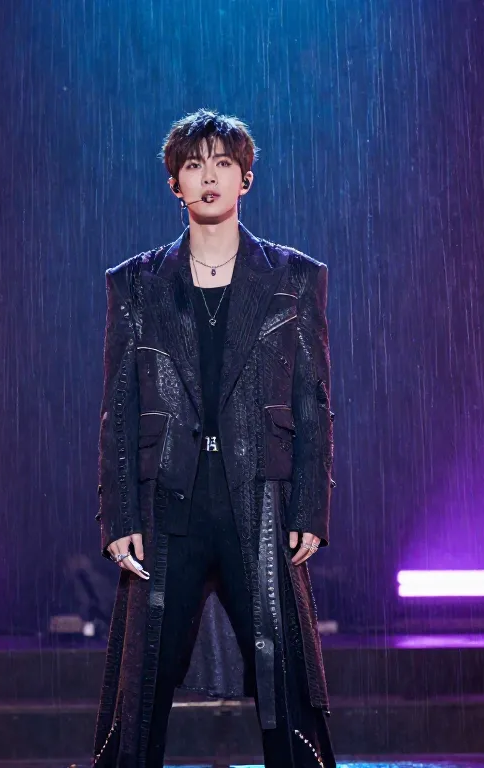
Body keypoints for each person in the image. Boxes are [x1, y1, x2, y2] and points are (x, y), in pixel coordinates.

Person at [92, 109, 336, 767]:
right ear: (175, 183)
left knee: (284, 681)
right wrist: (119, 515)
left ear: (244, 179)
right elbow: (119, 406)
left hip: (259, 500)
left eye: (222, 163)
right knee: (142, 688)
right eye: (194, 165)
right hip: (167, 503)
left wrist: (310, 507)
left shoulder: (293, 278)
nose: (208, 177)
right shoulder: (135, 283)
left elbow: (313, 402)